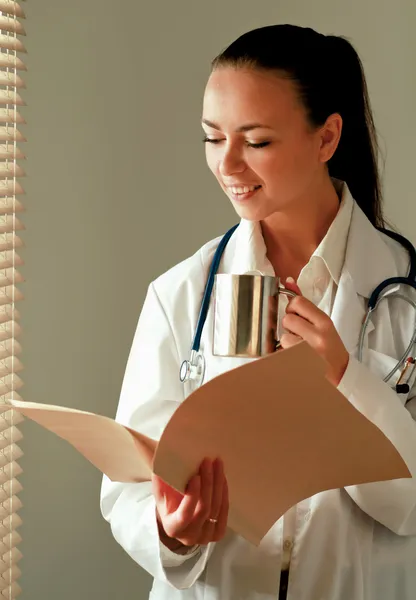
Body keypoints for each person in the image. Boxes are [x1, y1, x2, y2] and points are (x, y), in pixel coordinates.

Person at [100, 24, 416, 600]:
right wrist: (170, 533)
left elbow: (412, 505)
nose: (228, 165)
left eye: (257, 141)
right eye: (212, 138)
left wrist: (345, 380)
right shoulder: (181, 294)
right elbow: (127, 486)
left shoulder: (404, 293)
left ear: (326, 138)